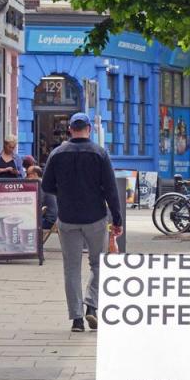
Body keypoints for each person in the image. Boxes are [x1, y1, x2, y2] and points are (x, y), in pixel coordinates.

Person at [42, 113, 122, 333]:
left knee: (71, 268)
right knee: (99, 264)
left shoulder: (57, 154)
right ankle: (92, 306)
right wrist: (117, 218)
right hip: (95, 217)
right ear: (89, 128)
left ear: (70, 129)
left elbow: (47, 186)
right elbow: (111, 190)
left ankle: (76, 319)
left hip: (67, 218)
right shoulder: (100, 153)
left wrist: (65, 194)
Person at [26, 165, 57, 230]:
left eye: (28, 174)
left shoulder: (40, 184)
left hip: (49, 221)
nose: (26, 177)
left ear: (35, 174)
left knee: (24, 224)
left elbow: (38, 203)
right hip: (54, 219)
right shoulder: (44, 182)